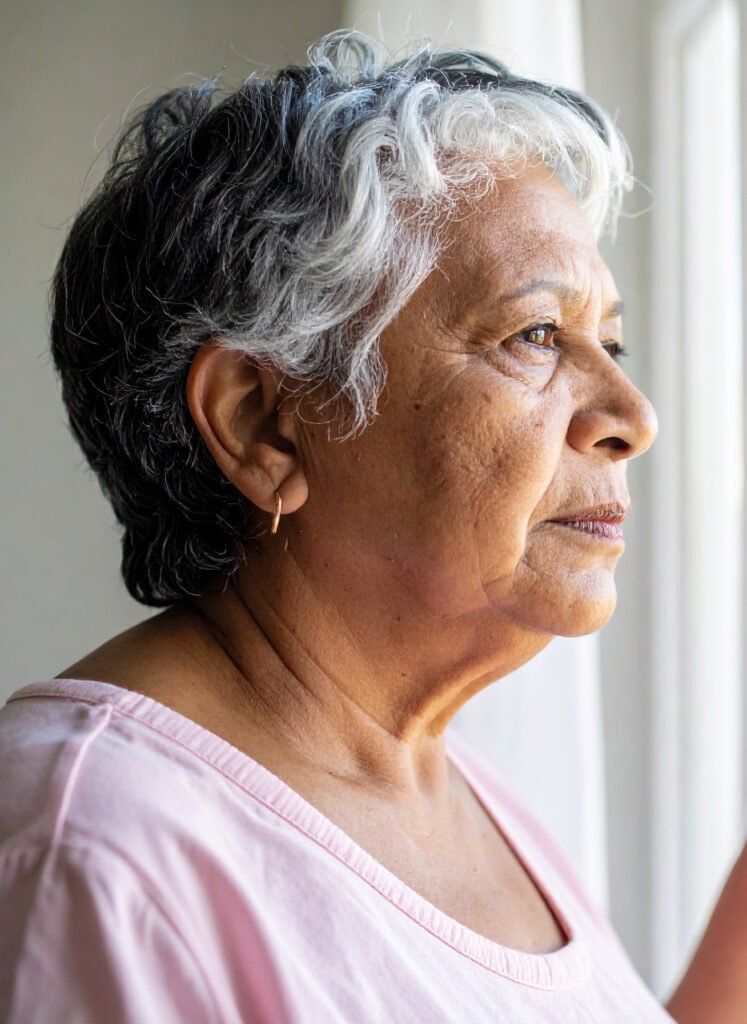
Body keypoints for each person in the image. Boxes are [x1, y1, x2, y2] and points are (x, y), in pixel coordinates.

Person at [0, 30, 743, 1023]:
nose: (632, 415)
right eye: (534, 335)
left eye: (609, 340)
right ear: (263, 421)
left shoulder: (456, 789)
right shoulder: (97, 848)